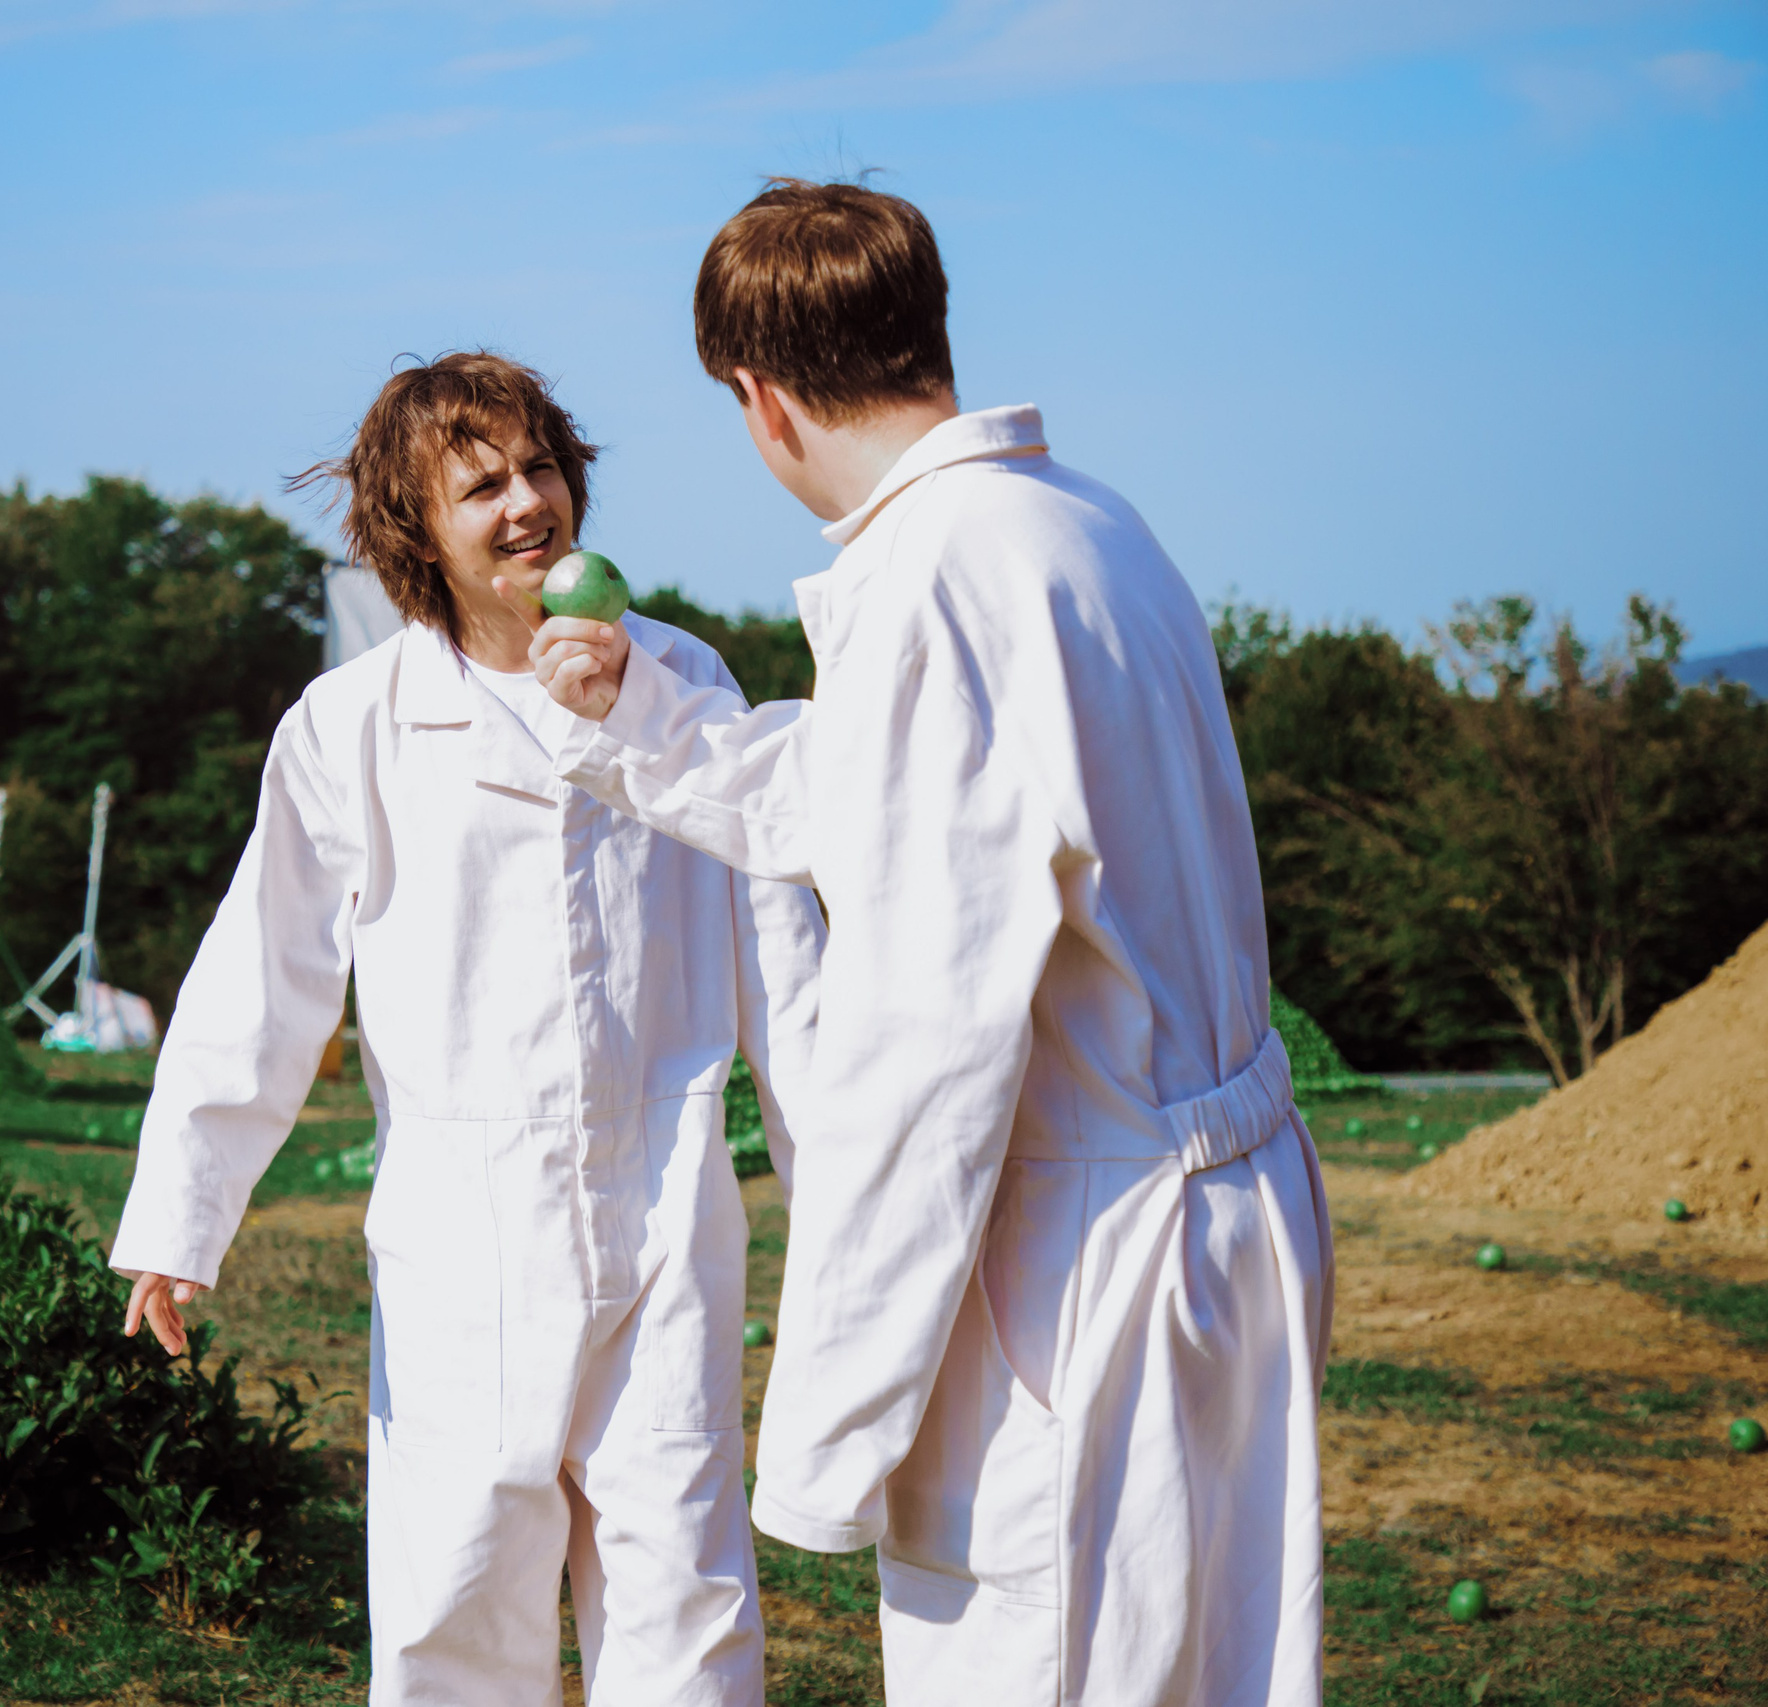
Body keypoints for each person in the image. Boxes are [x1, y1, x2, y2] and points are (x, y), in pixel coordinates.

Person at [522, 182, 1334, 1705]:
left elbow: (926, 1047)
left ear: (759, 400)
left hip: (1083, 1267)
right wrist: (641, 718)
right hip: (1226, 1217)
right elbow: (877, 791)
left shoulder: (931, 582)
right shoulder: (1085, 523)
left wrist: (827, 1434)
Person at [110, 351, 826, 1706]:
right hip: (460, 1229)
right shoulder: (353, 725)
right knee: (457, 1604)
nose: (527, 503)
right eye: (482, 485)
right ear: (416, 533)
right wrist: (180, 1219)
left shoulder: (681, 677)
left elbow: (784, 962)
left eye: (541, 468)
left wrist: (848, 1194)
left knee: (686, 1603)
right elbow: (262, 976)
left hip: (670, 1204)